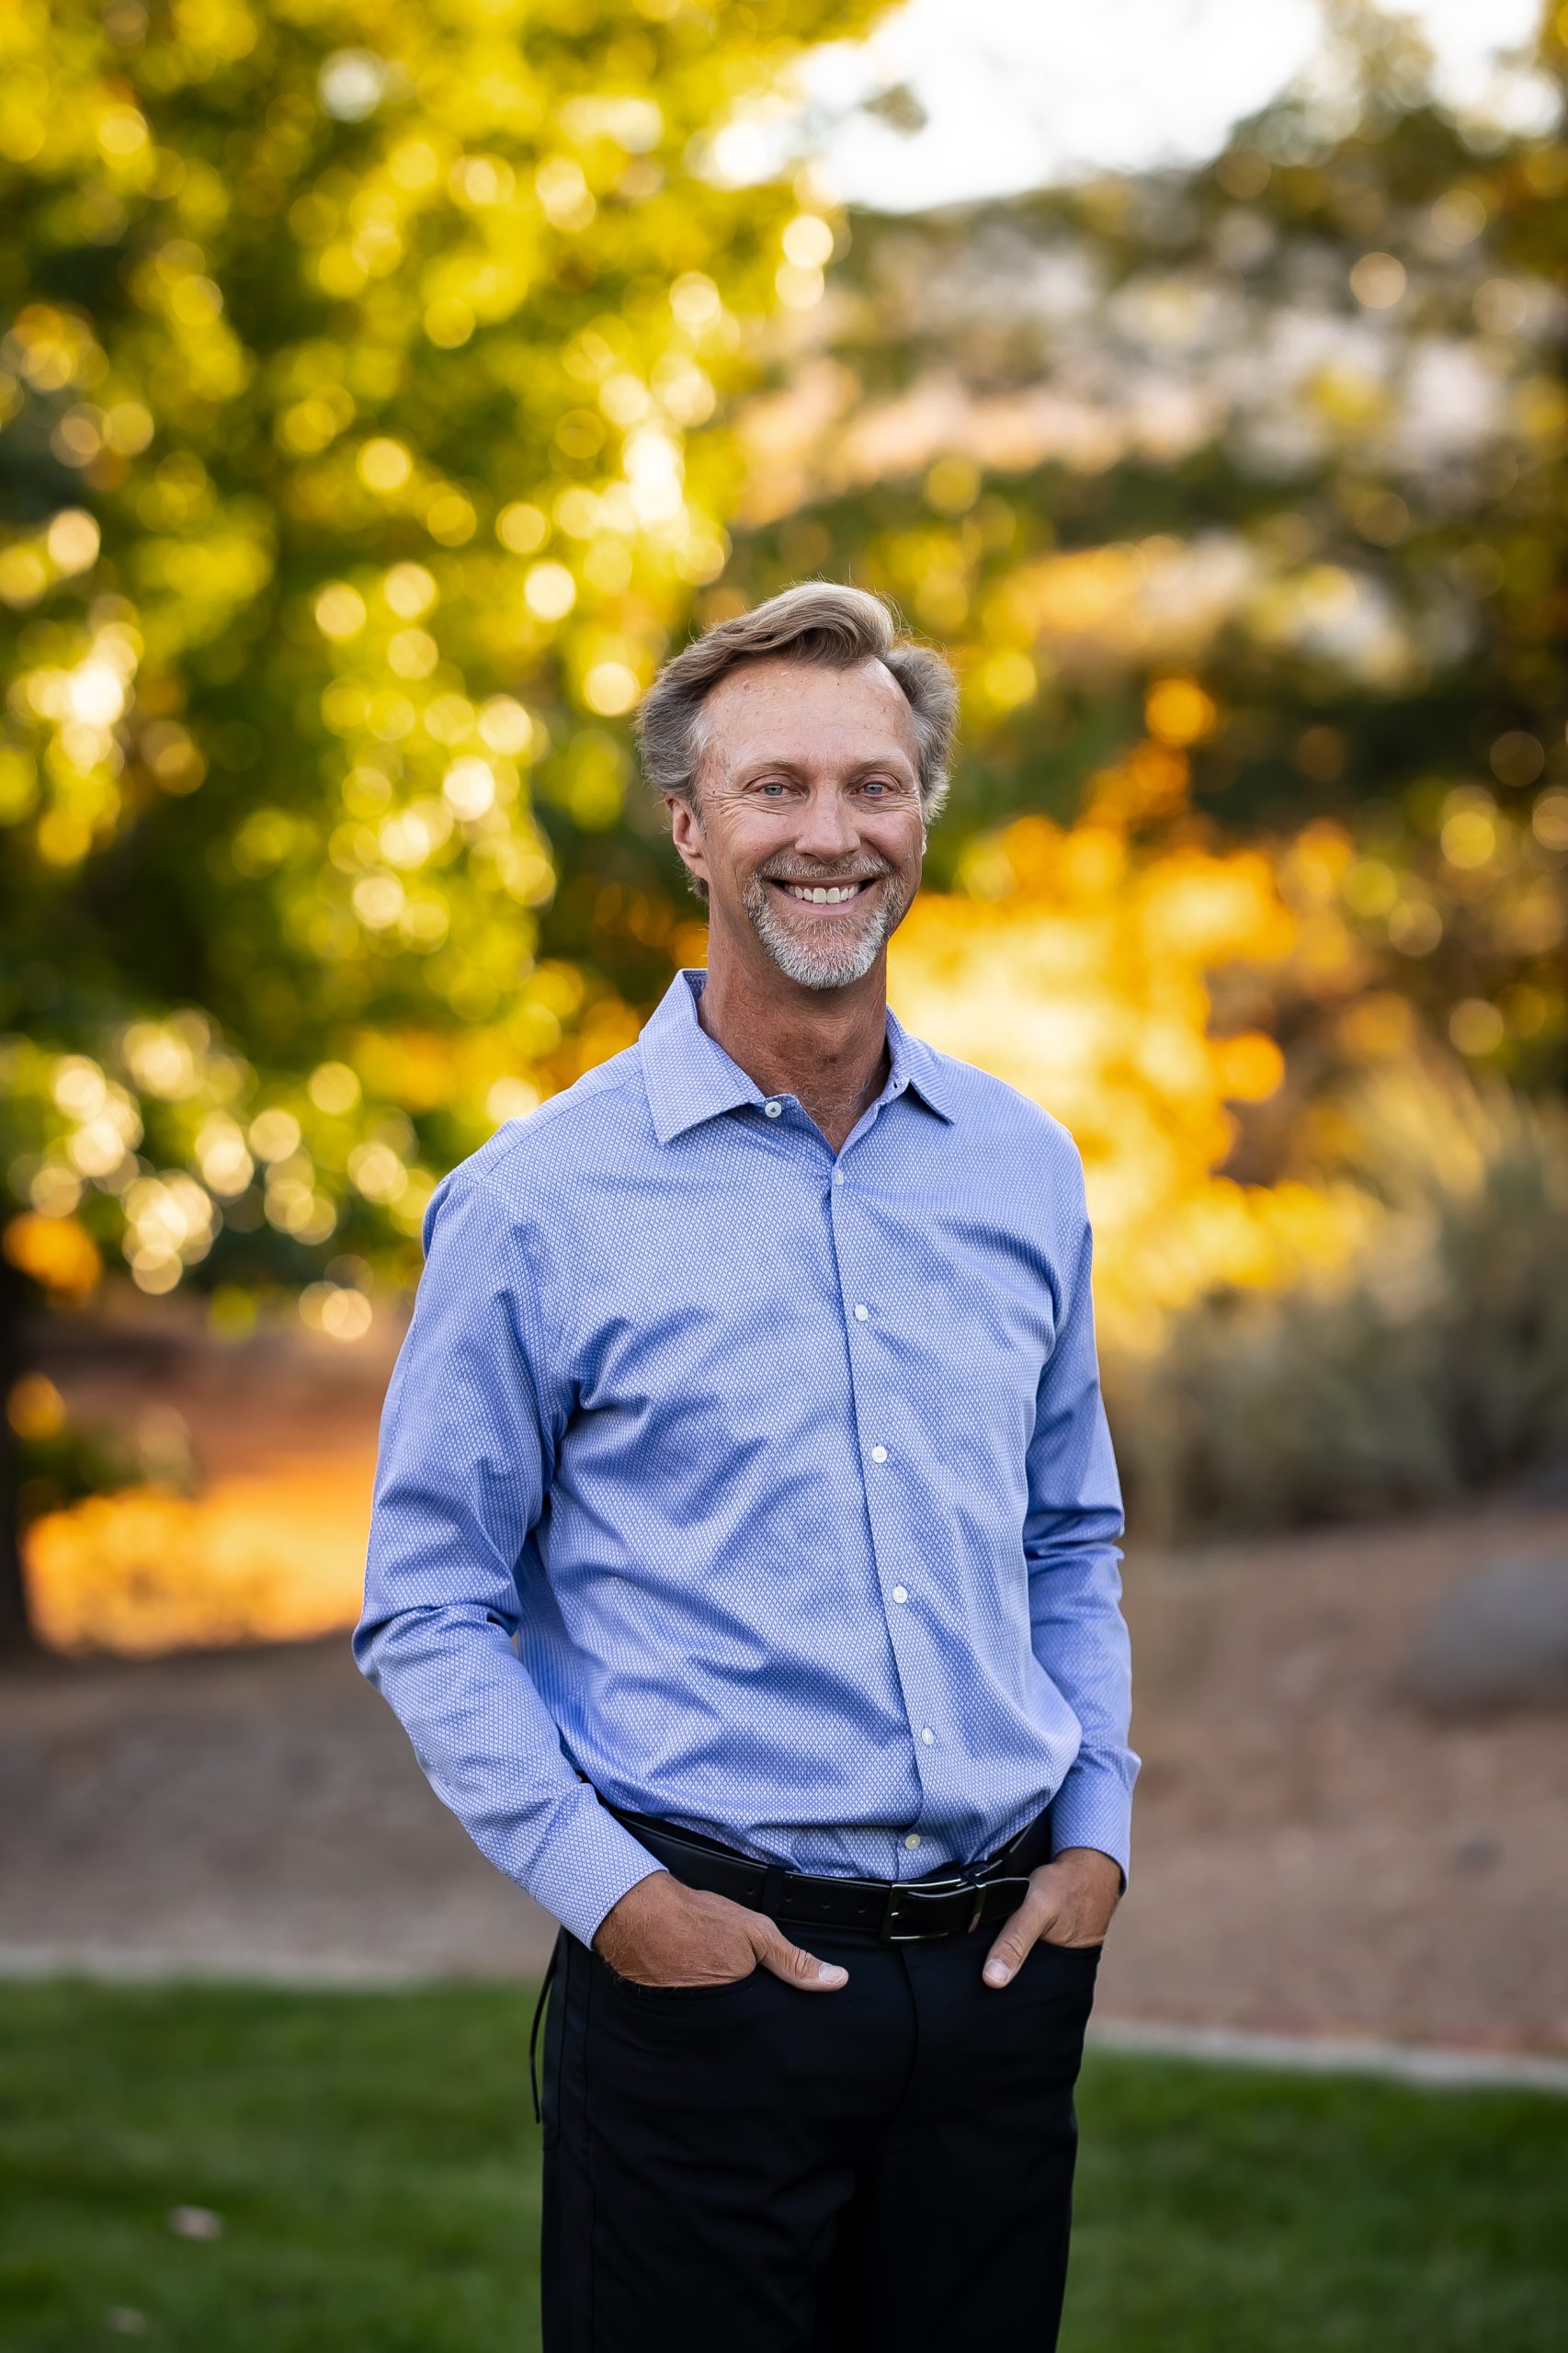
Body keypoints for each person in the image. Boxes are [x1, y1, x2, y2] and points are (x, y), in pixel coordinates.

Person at [355, 582, 1138, 2353]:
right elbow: (429, 1606)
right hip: (703, 1991)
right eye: (773, 788)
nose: (828, 834)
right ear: (692, 830)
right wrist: (621, 1906)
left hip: (1002, 1991)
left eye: (873, 785)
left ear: (920, 818)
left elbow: (1067, 1534)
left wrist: (1094, 1839)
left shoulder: (1020, 1167)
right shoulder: (535, 1204)